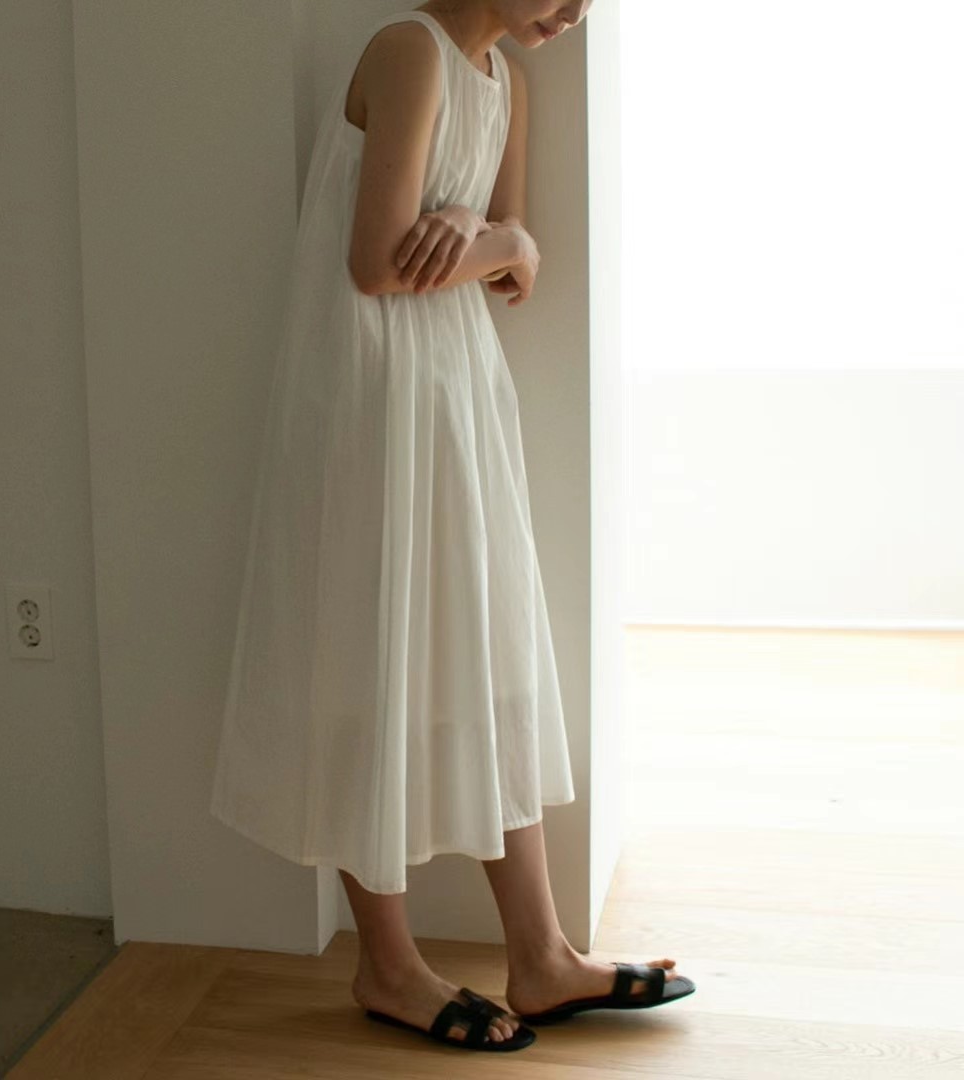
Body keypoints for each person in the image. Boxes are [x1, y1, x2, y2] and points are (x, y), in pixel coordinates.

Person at [209, 0, 694, 1052]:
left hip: (455, 387)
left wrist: (500, 237)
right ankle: (386, 965)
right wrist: (496, 241)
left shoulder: (507, 84)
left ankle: (541, 954)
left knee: (488, 647)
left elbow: (516, 267)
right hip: (373, 394)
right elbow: (377, 263)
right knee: (368, 659)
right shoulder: (408, 53)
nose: (575, 13)